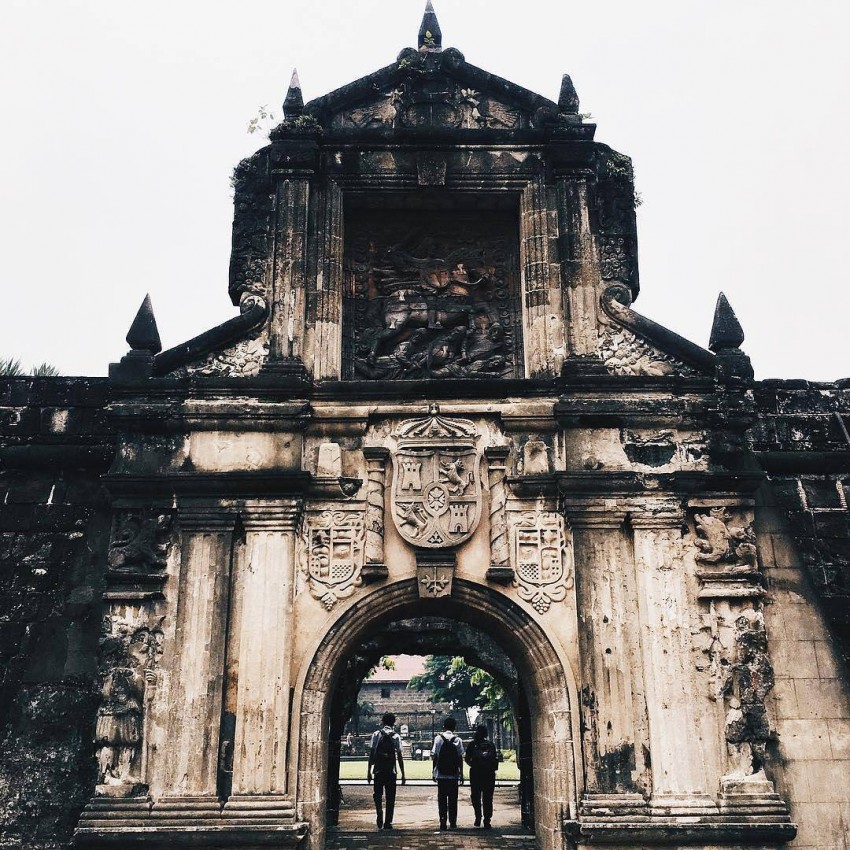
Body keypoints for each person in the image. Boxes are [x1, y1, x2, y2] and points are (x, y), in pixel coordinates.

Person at [367, 712, 405, 830]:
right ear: (394, 723)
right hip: (391, 771)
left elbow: (372, 754)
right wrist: (403, 774)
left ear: (383, 721)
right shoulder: (396, 736)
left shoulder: (376, 734)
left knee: (377, 794)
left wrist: (369, 771)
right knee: (390, 797)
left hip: (378, 770)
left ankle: (379, 812)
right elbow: (399, 756)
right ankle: (388, 821)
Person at [431, 716, 464, 830]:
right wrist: (461, 773)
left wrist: (433, 771)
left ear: (444, 727)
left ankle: (443, 821)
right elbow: (460, 758)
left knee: (442, 799)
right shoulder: (457, 740)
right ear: (454, 728)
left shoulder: (438, 739)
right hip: (454, 774)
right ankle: (453, 822)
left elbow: (435, 756)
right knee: (453, 799)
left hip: (441, 773)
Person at [465, 724, 499, 829]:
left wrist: (474, 765)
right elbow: (494, 759)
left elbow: (466, 759)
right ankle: (487, 819)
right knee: (488, 798)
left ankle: (478, 817)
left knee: (475, 796)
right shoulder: (491, 745)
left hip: (476, 773)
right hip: (489, 774)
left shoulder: (472, 744)